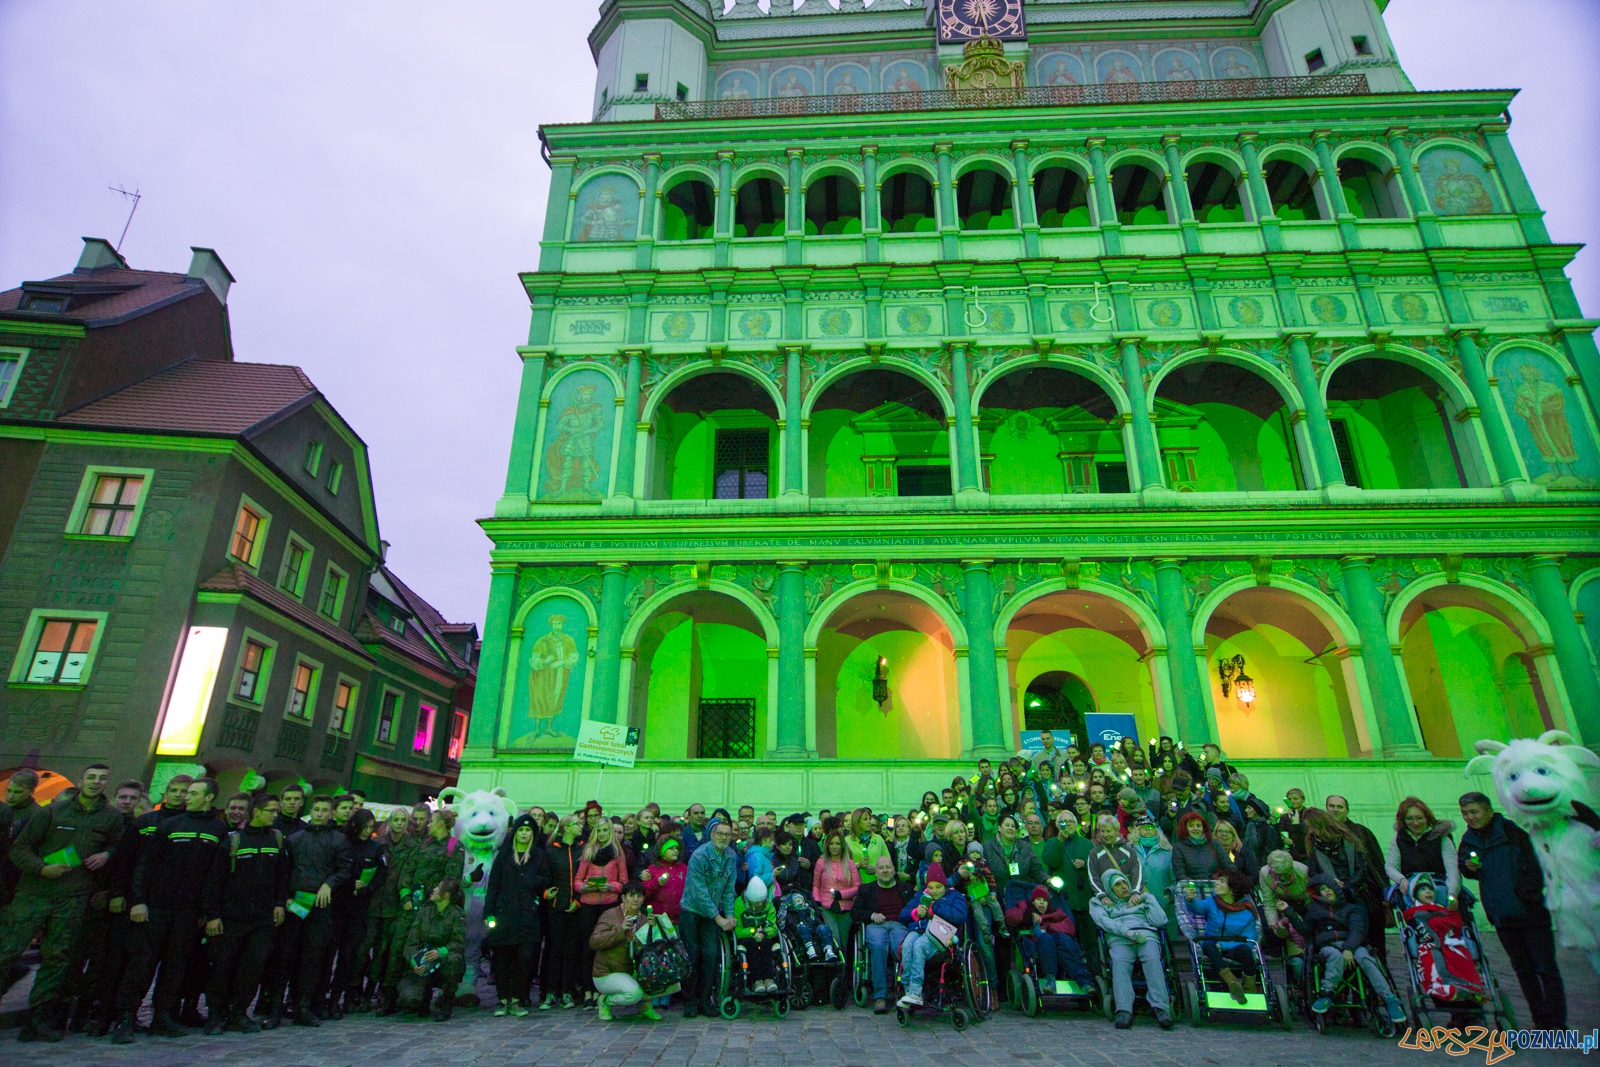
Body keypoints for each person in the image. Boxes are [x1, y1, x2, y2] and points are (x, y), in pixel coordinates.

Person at [0, 763, 122, 1042]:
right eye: (91, 777)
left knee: (57, 958)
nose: (96, 782)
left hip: (73, 897)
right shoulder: (52, 812)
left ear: (107, 784)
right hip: (34, 893)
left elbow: (116, 845)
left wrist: (106, 855)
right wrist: (42, 868)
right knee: (6, 951)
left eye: (103, 779)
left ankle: (37, 1021)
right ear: (81, 780)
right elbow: (19, 850)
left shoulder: (111, 817)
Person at [117, 775, 226, 1037]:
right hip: (156, 907)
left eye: (194, 793)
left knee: (175, 966)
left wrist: (209, 912)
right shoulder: (170, 825)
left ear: (209, 798)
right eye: (187, 793)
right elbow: (146, 866)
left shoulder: (218, 830)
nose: (187, 797)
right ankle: (126, 1019)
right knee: (142, 964)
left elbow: (216, 877)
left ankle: (162, 1017)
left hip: (188, 912)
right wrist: (139, 901)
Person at [1457, 791, 1566, 1029]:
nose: (1470, 818)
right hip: (1500, 915)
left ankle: (1557, 1022)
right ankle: (1540, 1019)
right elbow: (1465, 868)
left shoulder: (1514, 833)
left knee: (1545, 968)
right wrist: (1470, 868)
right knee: (1523, 970)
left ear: (1488, 810)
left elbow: (1536, 867)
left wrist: (1527, 896)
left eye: (1474, 812)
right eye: (1465, 813)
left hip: (1530, 913)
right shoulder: (1468, 840)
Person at [198, 793, 289, 1036]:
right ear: (256, 812)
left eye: (276, 811)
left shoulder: (278, 840)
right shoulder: (233, 842)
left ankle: (239, 1012)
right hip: (231, 917)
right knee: (222, 967)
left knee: (252, 969)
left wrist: (280, 903)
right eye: (271, 810)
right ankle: (216, 1014)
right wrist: (213, 914)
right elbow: (214, 881)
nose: (275, 815)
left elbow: (282, 877)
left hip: (262, 920)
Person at [261, 794, 353, 1029]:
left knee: (313, 957)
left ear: (331, 813)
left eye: (325, 810)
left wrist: (328, 884)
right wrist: (285, 899)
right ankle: (275, 1009)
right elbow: (284, 872)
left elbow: (344, 869)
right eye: (317, 809)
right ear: (311, 811)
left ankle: (303, 1006)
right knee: (285, 956)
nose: (321, 813)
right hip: (296, 903)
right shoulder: (294, 839)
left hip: (321, 905)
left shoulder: (338, 840)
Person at [1293, 874, 1407, 1024]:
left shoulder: (1352, 908)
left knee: (1366, 958)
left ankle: (1388, 997)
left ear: (1336, 890)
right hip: (1328, 946)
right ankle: (1327, 992)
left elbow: (1357, 931)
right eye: (1322, 889)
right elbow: (1306, 931)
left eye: (1329, 888)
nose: (1326, 891)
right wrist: (1290, 913)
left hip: (1352, 944)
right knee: (1335, 955)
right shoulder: (1314, 910)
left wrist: (1349, 949)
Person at [484, 812, 551, 1017]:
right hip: (505, 914)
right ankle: (503, 999)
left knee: (525, 959)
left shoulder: (538, 855)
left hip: (528, 914)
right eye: (521, 830)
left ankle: (517, 998)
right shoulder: (504, 856)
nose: (524, 834)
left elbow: (546, 879)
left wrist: (533, 881)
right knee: (503, 959)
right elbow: (493, 886)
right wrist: (489, 913)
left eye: (528, 830)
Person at [1090, 869, 1173, 1029]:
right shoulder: (1099, 903)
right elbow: (1104, 922)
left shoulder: (1139, 900)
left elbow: (1161, 920)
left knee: (1153, 959)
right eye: (1117, 884)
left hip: (1145, 936)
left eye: (1124, 883)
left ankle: (1162, 1008)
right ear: (1108, 888)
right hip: (1120, 938)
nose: (1123, 887)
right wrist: (1127, 933)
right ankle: (1124, 1010)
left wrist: (1148, 898)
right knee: (1120, 961)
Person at [327, 808, 387, 1018]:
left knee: (349, 956)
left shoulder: (375, 849)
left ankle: (339, 999)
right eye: (364, 827)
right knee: (328, 956)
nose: (366, 831)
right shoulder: (343, 844)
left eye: (371, 827)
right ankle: (325, 998)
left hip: (359, 909)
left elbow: (381, 875)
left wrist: (367, 889)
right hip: (337, 906)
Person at [679, 819, 738, 1019]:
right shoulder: (700, 855)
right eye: (720, 834)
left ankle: (705, 1001)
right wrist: (718, 918)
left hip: (713, 913)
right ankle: (690, 1002)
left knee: (711, 955)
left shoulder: (731, 856)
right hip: (692, 909)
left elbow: (729, 889)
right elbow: (699, 891)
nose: (723, 837)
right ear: (712, 835)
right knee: (692, 954)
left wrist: (729, 915)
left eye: (727, 835)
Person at [894, 863, 968, 1010]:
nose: (934, 891)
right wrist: (915, 912)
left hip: (941, 935)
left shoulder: (954, 896)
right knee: (907, 945)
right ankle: (908, 989)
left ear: (945, 886)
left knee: (919, 946)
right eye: (931, 887)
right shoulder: (921, 896)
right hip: (919, 930)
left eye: (938, 887)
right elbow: (902, 915)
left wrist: (935, 908)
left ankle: (915, 991)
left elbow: (960, 916)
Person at [590, 880, 664, 1020]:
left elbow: (652, 951)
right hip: (608, 972)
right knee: (633, 993)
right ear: (623, 897)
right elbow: (594, 942)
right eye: (631, 895)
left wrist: (653, 930)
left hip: (632, 971)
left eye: (639, 896)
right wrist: (620, 930)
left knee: (665, 977)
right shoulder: (610, 915)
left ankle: (645, 1007)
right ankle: (605, 1001)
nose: (635, 899)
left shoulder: (643, 918)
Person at [359, 809, 411, 1013]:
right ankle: (358, 988)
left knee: (384, 952)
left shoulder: (411, 846)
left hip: (394, 906)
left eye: (403, 820)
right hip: (372, 903)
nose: (399, 824)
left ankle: (375, 991)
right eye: (396, 820)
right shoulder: (377, 843)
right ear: (390, 822)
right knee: (363, 949)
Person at [1183, 869, 1260, 1004]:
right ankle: (1232, 982)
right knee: (1207, 944)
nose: (1216, 883)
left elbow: (1249, 940)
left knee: (1246, 950)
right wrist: (1190, 899)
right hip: (1213, 947)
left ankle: (1249, 989)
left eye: (1222, 881)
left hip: (1233, 948)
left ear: (1232, 889)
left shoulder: (1247, 913)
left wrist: (1224, 945)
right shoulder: (1213, 901)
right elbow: (1198, 908)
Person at [574, 817, 628, 1008]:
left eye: (606, 830)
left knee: (606, 948)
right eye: (600, 830)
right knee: (588, 947)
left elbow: (623, 882)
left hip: (608, 905)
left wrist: (610, 886)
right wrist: (585, 887)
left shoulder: (617, 853)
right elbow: (578, 881)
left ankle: (601, 991)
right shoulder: (589, 852)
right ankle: (587, 990)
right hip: (589, 904)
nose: (603, 834)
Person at [400, 877, 465, 1021]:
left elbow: (458, 944)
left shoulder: (456, 915)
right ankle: (424, 997)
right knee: (409, 999)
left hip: (443, 963)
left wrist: (441, 952)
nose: (434, 889)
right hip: (424, 963)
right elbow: (411, 943)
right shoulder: (424, 913)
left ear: (446, 895)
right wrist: (414, 962)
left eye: (438, 887)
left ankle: (447, 1003)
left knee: (453, 960)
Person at [538, 814, 584, 1011]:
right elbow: (543, 875)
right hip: (556, 907)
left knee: (570, 950)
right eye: (577, 823)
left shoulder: (582, 849)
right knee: (554, 949)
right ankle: (550, 991)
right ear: (567, 828)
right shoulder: (551, 851)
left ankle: (566, 990)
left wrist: (579, 901)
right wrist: (545, 892)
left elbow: (585, 877)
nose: (581, 826)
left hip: (575, 907)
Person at [852, 855, 909, 1012]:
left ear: (894, 870)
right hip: (877, 926)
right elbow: (855, 912)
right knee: (878, 947)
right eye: (881, 868)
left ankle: (905, 991)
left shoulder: (905, 889)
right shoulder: (866, 890)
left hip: (899, 925)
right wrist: (872, 915)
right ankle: (880, 996)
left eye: (888, 867)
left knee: (904, 948)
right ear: (875, 872)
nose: (885, 870)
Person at [1005, 885, 1091, 987]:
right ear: (1032, 901)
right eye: (1038, 899)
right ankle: (1050, 979)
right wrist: (1029, 915)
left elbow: (1070, 927)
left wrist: (1049, 927)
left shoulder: (1056, 913)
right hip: (1038, 942)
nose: (1041, 902)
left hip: (1059, 941)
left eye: (1044, 900)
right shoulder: (1024, 907)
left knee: (1063, 939)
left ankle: (1084, 981)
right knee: (1046, 938)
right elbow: (1010, 917)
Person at [1385, 796, 1459, 903]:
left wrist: (1452, 893)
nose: (1415, 823)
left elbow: (1452, 869)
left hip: (1439, 886)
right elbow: (1391, 865)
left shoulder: (1441, 838)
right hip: (1410, 886)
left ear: (1427, 817)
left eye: (1419, 818)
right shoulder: (1398, 838)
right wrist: (1401, 880)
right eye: (1409, 819)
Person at [734, 876, 782, 994]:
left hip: (764, 935)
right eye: (757, 902)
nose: (760, 904)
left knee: (766, 943)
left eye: (762, 901)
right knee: (752, 944)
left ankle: (769, 979)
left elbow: (773, 927)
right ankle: (756, 980)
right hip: (747, 937)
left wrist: (764, 933)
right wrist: (752, 932)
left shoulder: (768, 905)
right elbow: (738, 930)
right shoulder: (739, 905)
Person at [812, 829, 859, 951]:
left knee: (845, 941)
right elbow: (816, 885)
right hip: (827, 907)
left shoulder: (850, 864)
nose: (834, 847)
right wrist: (817, 901)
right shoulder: (821, 862)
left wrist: (842, 894)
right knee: (834, 939)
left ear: (842, 846)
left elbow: (858, 887)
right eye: (831, 843)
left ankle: (847, 967)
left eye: (837, 844)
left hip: (846, 908)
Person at [982, 814, 1046, 889]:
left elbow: (1036, 869)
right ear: (999, 828)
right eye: (1007, 825)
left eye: (1013, 826)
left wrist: (1046, 879)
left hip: (1022, 893)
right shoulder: (987, 847)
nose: (1010, 828)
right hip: (998, 894)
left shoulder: (1025, 846)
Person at [1088, 815, 1142, 897]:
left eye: (1108, 831)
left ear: (1116, 831)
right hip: (1108, 900)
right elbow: (1093, 877)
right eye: (1102, 831)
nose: (1105, 834)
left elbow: (1137, 872)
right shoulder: (1094, 853)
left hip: (1129, 896)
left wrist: (1135, 892)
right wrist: (1102, 895)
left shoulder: (1129, 851)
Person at [1171, 811, 1231, 883]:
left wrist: (1223, 881)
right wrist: (1194, 886)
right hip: (1192, 890)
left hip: (1218, 887)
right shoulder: (1179, 848)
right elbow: (1180, 874)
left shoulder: (1214, 844)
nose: (1195, 828)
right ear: (1184, 828)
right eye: (1191, 826)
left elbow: (1229, 866)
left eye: (1198, 826)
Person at [643, 836, 687, 921]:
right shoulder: (652, 869)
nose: (676, 851)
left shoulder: (684, 868)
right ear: (662, 851)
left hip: (679, 919)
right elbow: (645, 894)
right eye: (671, 848)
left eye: (677, 848)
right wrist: (657, 883)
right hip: (658, 919)